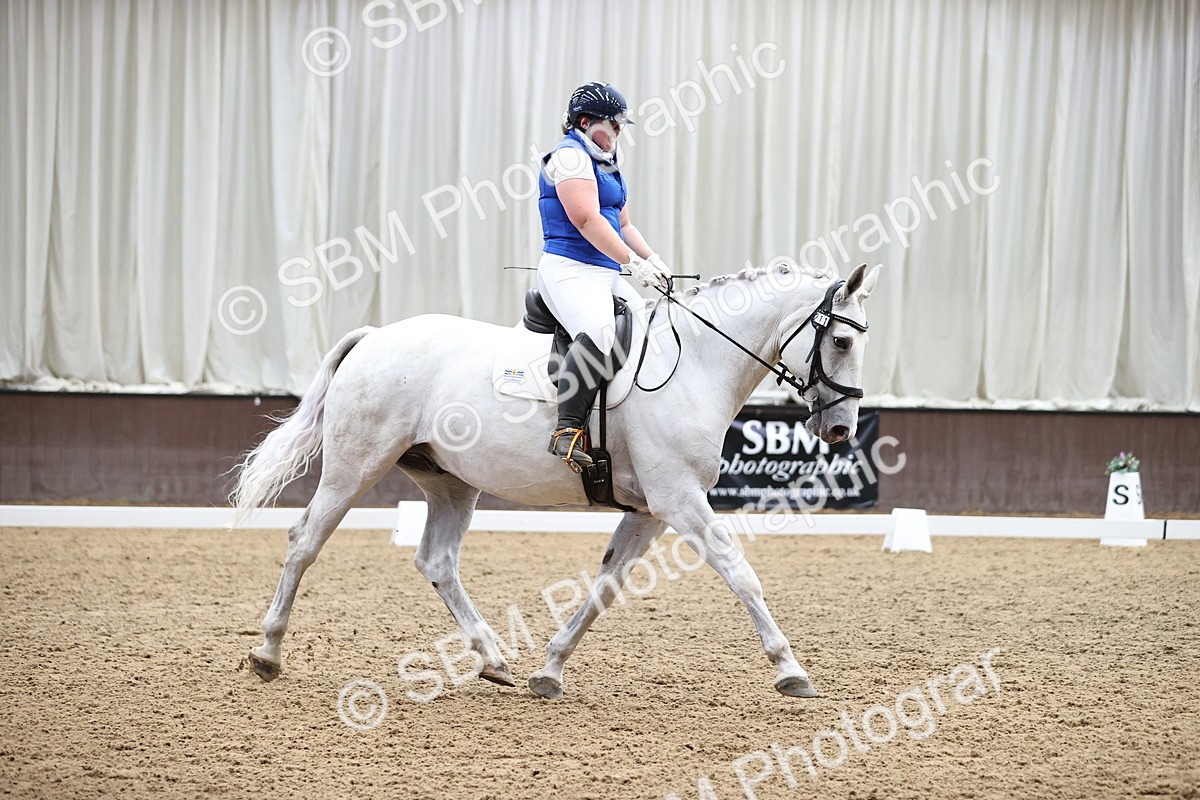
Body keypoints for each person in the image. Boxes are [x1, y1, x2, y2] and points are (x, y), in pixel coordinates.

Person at [536, 81, 672, 470]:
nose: (618, 132)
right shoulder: (568, 158)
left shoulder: (606, 162)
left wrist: (653, 259)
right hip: (569, 267)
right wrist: (632, 263)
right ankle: (567, 431)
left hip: (603, 269)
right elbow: (586, 219)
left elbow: (623, 222)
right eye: (613, 125)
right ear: (585, 122)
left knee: (650, 331)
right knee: (598, 331)